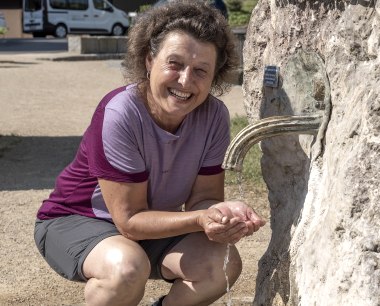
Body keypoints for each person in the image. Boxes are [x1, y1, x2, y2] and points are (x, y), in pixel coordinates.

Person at [33, 1, 266, 305]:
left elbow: (203, 200)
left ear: (215, 77)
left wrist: (220, 216)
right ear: (148, 60)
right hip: (76, 220)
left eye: (200, 71)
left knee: (220, 264)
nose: (185, 80)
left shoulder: (214, 116)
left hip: (146, 228)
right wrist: (200, 218)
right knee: (126, 268)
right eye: (174, 64)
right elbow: (129, 221)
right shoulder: (121, 112)